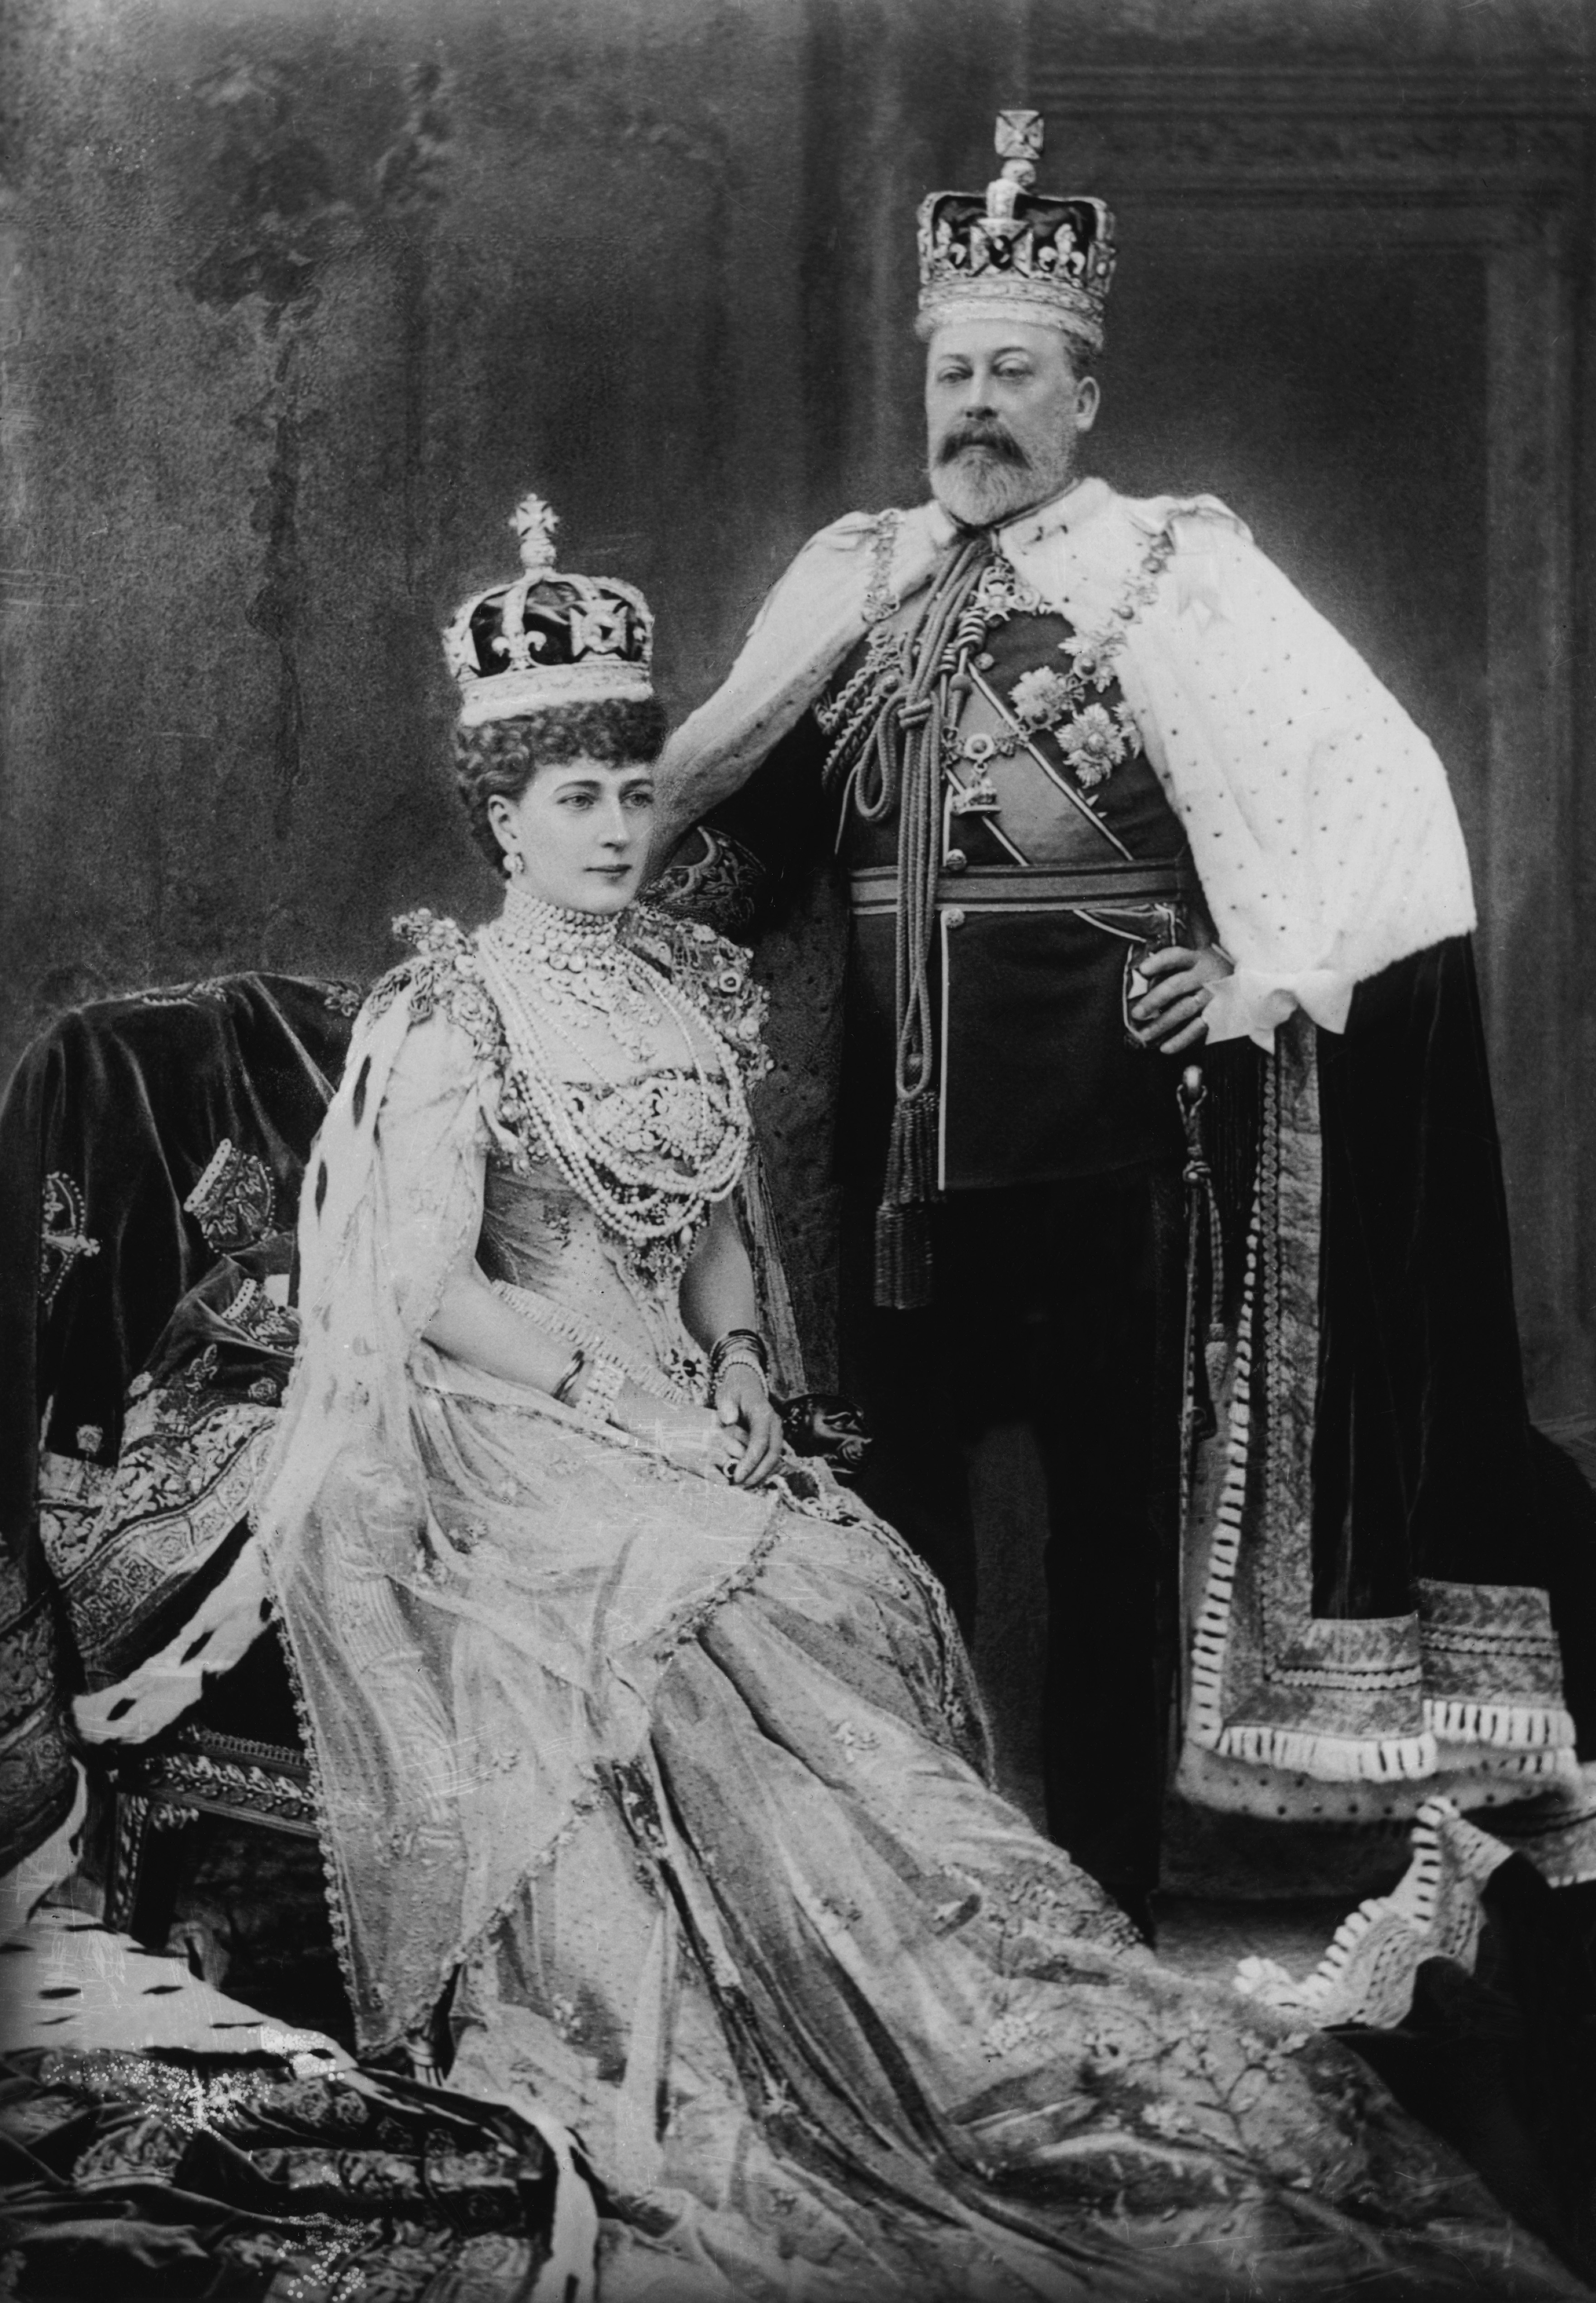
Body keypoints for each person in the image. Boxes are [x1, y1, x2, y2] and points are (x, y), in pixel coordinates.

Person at [250, 491, 1588, 2301]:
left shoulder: (682, 996)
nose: (621, 829)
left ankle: (981, 1988)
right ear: (500, 817)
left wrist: (727, 1366)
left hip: (689, 1395)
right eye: (579, 801)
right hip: (512, 1423)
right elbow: (427, 1295)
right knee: (724, 1632)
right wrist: (610, 1392)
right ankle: (782, 2027)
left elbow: (719, 1243)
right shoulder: (451, 1017)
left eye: (637, 795)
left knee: (860, 1581)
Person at [650, 111, 1596, 1936]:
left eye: (1015, 373)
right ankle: (931, 1895)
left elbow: (1363, 798)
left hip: (1107, 1151)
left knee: (1102, 1557)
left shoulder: (1178, 574)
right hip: (890, 1166)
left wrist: (1243, 974)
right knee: (893, 1551)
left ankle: (1096, 1904)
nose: (975, 408)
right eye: (953, 374)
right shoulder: (852, 584)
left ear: (1086, 393)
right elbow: (754, 826)